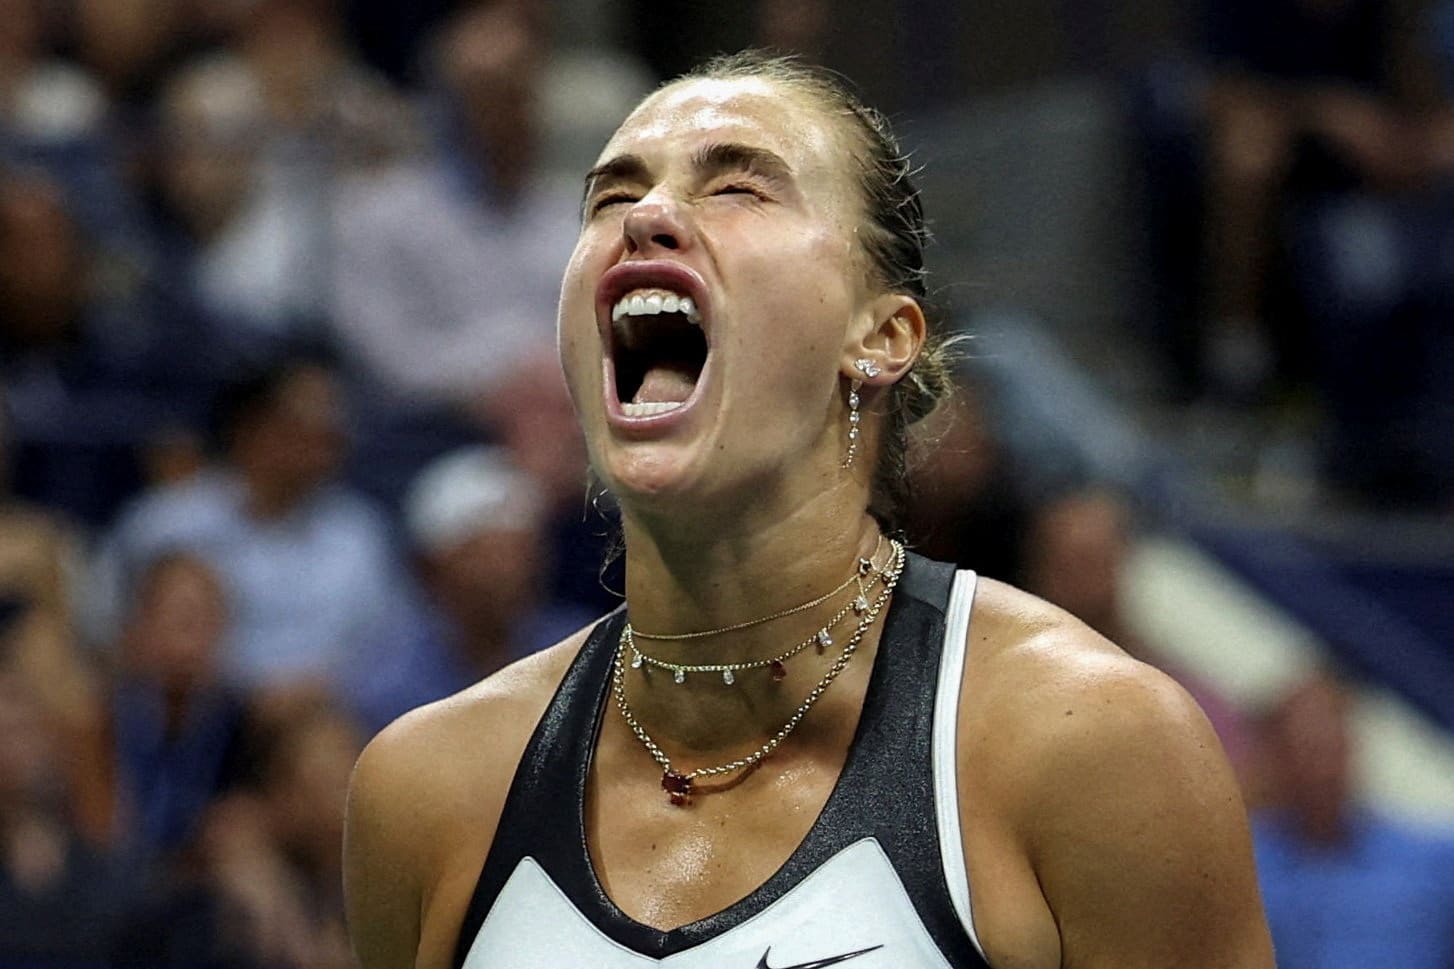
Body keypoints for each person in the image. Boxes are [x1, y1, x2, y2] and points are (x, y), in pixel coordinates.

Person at [344, 51, 1273, 968]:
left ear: (881, 335)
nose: (648, 216)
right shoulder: (429, 787)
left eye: (737, 188)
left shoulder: (1089, 746)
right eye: (611, 198)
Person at [1251, 671, 1454, 969]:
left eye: (1330, 747)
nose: (1321, 769)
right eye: (1304, 749)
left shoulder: (1433, 860)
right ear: (1274, 757)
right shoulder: (1244, 861)